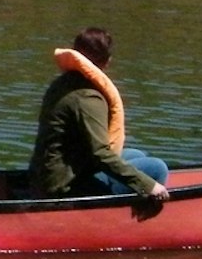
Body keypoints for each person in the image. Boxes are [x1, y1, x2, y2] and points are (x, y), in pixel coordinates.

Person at [28, 27, 171, 203]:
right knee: (157, 168)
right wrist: (148, 185)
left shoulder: (62, 83)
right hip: (64, 186)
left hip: (48, 175)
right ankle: (129, 221)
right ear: (107, 61)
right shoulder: (88, 97)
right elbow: (100, 154)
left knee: (136, 155)